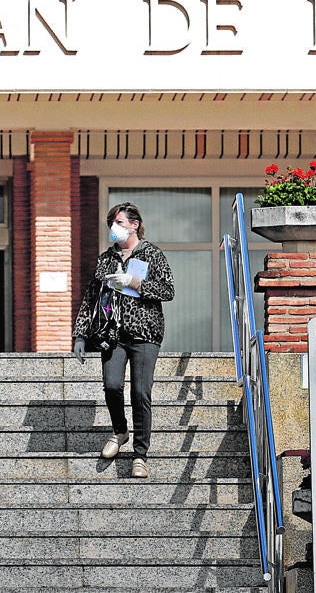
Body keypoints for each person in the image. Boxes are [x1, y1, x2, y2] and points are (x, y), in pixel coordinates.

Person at [72, 202, 175, 479]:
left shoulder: (152, 254)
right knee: (112, 385)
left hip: (145, 334)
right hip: (112, 334)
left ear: (134, 224)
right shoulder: (106, 259)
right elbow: (91, 298)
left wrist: (135, 282)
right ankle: (120, 431)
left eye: (119, 222)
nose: (114, 228)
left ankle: (140, 455)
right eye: (112, 223)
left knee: (141, 393)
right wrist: (80, 334)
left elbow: (168, 290)